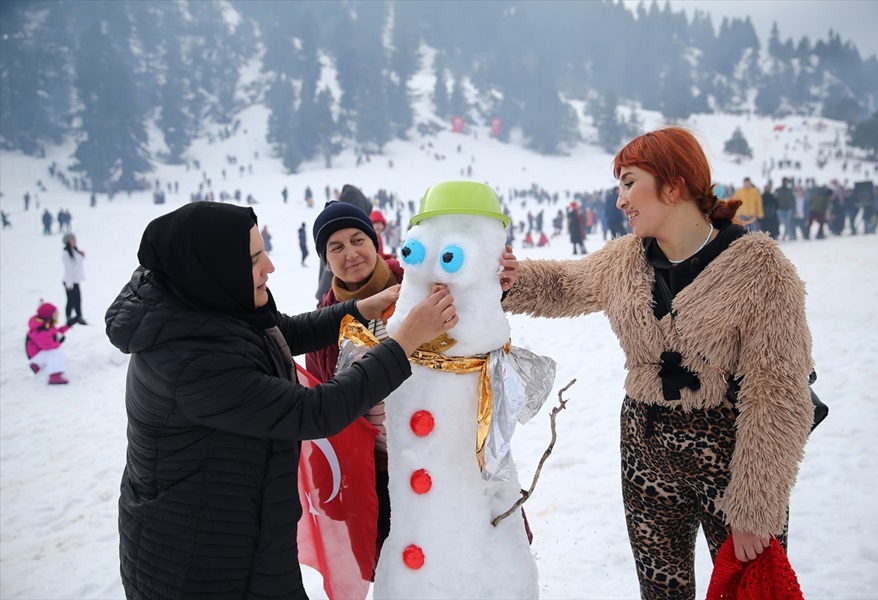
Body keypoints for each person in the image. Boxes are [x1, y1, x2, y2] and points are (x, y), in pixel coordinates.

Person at [501, 127, 814, 599]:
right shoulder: (624, 260)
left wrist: (755, 509)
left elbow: (780, 397)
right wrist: (507, 280)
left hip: (730, 456)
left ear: (675, 185)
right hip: (646, 447)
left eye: (629, 182)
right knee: (661, 591)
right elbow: (562, 286)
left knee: (747, 589)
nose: (620, 199)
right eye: (619, 186)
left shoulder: (760, 270)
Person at [105, 201, 459, 599]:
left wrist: (356, 309)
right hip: (199, 561)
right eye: (255, 258)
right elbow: (314, 411)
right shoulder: (190, 362)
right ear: (216, 268)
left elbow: (280, 332)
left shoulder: (198, 302)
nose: (270, 266)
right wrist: (405, 341)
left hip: (242, 532)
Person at [305, 199, 518, 574]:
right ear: (325, 260)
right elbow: (327, 405)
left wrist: (499, 277)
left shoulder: (419, 283)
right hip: (381, 469)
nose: (351, 253)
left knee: (464, 560)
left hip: (445, 453)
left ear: (375, 240)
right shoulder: (323, 325)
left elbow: (476, 312)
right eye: (336, 247)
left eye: (358, 239)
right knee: (403, 568)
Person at [26, 302, 73, 384]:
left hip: (39, 353)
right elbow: (49, 346)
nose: (57, 315)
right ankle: (55, 375)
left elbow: (55, 333)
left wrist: (68, 325)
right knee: (57, 354)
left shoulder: (45, 324)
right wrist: (59, 342)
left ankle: (37, 365)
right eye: (55, 314)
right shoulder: (41, 330)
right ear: (49, 316)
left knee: (55, 354)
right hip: (36, 355)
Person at [62, 233, 87, 325]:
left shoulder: (74, 251)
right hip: (70, 281)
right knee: (70, 300)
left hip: (76, 280)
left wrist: (82, 255)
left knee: (78, 299)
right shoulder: (66, 253)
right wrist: (69, 283)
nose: (75, 241)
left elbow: (78, 262)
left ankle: (79, 316)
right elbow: (68, 269)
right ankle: (68, 317)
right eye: (73, 239)